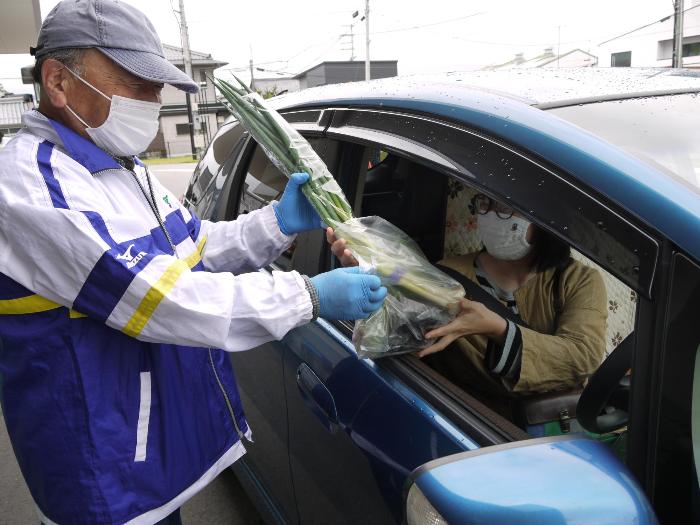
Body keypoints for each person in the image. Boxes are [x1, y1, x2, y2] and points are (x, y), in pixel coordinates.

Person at [0, 2, 386, 524]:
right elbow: (159, 296)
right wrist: (309, 296)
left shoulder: (123, 168)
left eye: (157, 88)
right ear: (58, 81)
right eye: (136, 82)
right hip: (101, 466)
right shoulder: (31, 187)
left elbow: (195, 245)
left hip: (151, 452)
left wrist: (277, 222)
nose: (153, 101)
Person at [330, 191, 607, 417]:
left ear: (546, 217)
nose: (489, 215)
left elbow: (583, 356)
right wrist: (367, 283)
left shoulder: (577, 280)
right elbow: (400, 333)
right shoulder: (446, 278)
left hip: (551, 436)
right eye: (485, 202)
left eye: (505, 207)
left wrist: (497, 329)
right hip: (472, 429)